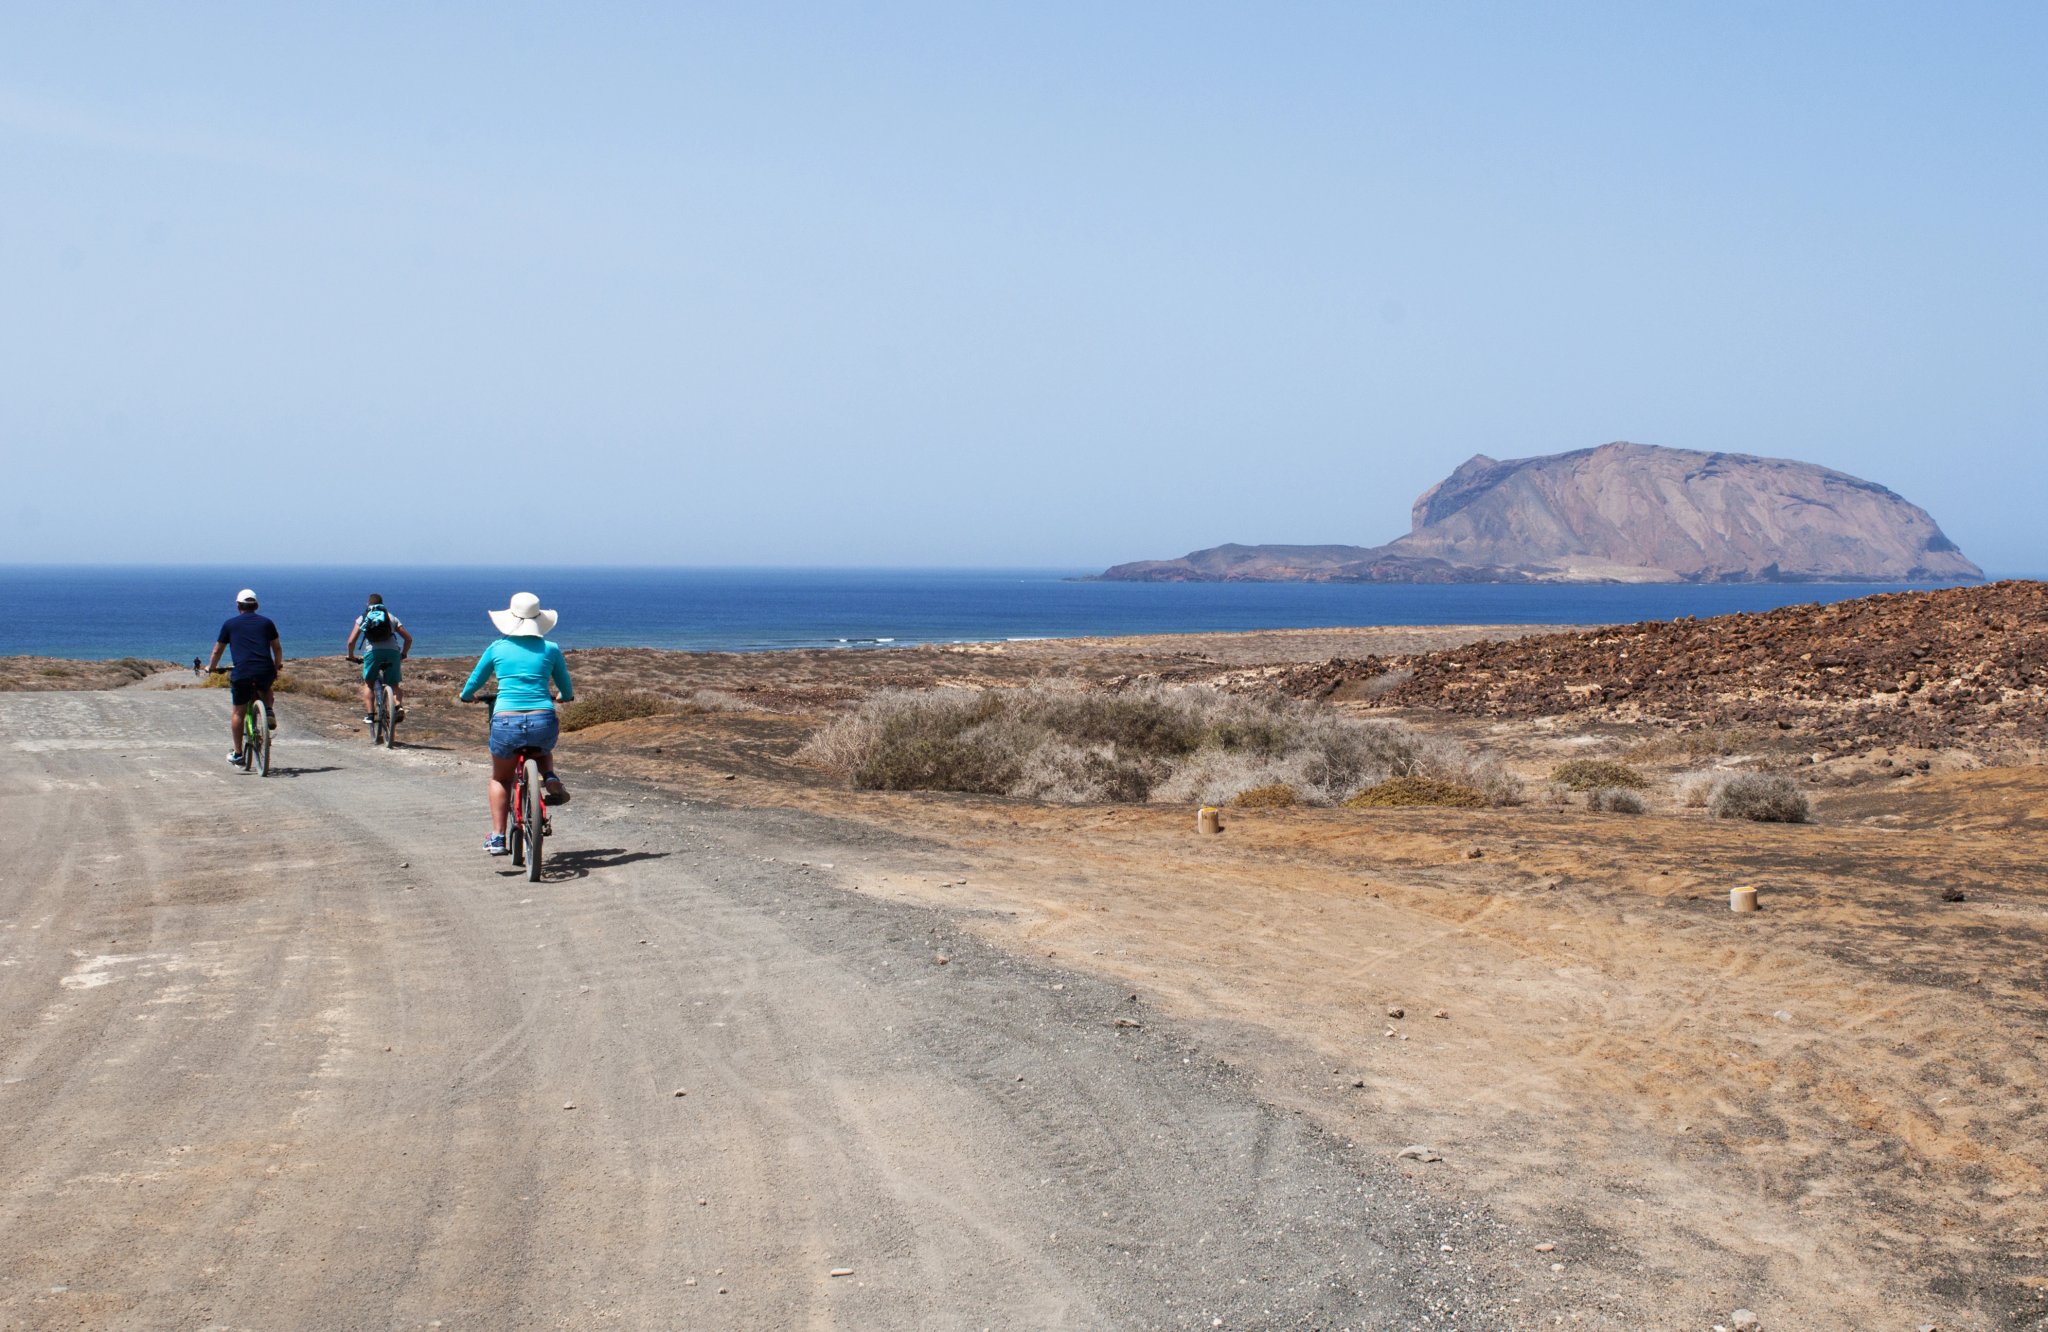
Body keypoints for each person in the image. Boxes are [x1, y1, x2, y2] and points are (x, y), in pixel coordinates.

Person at [456, 592, 574, 855]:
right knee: (541, 748)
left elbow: (475, 679)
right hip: (542, 718)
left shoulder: (497, 648)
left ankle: (498, 837)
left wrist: (467, 696)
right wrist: (564, 696)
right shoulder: (551, 648)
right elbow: (565, 684)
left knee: (501, 778)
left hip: (506, 720)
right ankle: (550, 777)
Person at [203, 588, 282, 767]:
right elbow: (277, 648)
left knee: (238, 712)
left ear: (238, 606)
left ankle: (238, 754)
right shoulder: (267, 623)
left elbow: (217, 650)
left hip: (243, 671)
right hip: (264, 669)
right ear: (256, 606)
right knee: (266, 688)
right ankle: (268, 710)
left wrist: (211, 667)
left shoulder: (230, 624)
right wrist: (276, 667)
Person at [345, 593, 414, 725]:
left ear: (368, 604)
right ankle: (398, 707)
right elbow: (408, 639)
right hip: (393, 652)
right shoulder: (391, 617)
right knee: (394, 684)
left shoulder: (362, 618)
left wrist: (351, 656)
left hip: (373, 653)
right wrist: (404, 653)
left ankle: (370, 716)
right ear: (382, 604)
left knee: (369, 684)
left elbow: (351, 642)